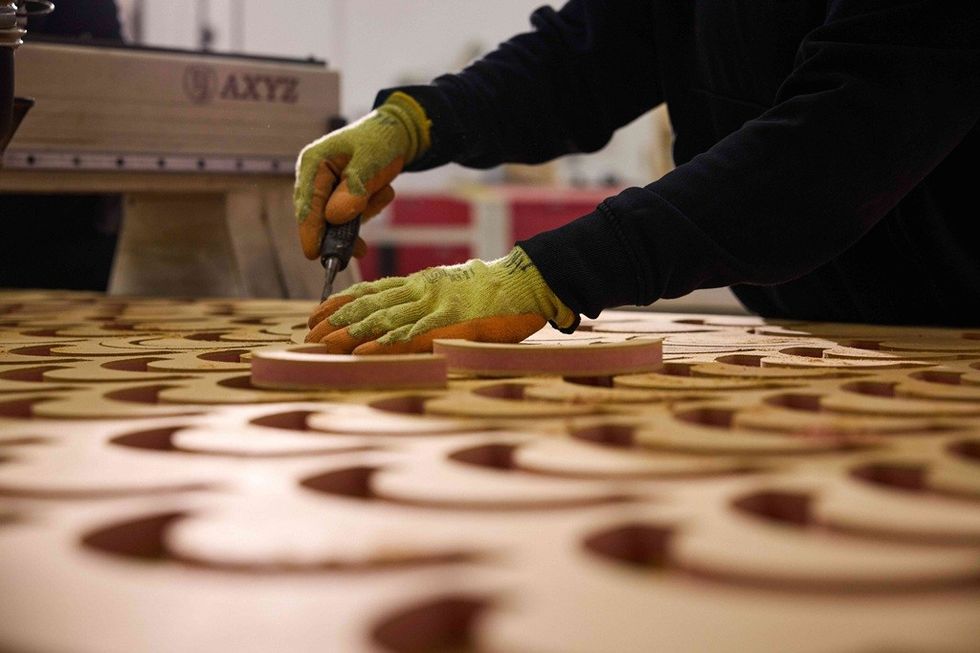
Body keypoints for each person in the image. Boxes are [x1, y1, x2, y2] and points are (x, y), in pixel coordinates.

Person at [296, 0, 980, 355]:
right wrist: (420, 119)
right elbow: (582, 61)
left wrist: (553, 273)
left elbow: (843, 141)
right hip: (822, 337)